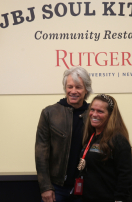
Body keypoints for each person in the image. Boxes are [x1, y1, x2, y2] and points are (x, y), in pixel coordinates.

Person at [35, 66, 93, 202]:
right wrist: (45, 187)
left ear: (86, 90)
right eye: (70, 86)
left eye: (78, 87)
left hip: (86, 187)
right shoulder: (49, 113)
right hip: (56, 188)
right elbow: (41, 154)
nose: (73, 91)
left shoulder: (94, 113)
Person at [80, 94, 132, 202]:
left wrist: (119, 199)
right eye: (92, 110)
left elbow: (125, 175)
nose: (94, 114)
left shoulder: (118, 140)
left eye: (100, 111)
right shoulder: (92, 137)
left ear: (110, 115)